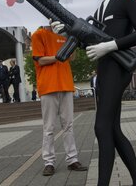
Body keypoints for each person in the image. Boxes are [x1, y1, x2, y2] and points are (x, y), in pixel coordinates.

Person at [83, 0, 136, 185]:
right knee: (113, 130)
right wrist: (66, 29)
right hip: (104, 70)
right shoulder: (100, 7)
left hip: (119, 68)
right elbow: (91, 43)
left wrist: (110, 45)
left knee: (102, 127)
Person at [31, 25, 87, 176]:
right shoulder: (38, 34)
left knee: (68, 125)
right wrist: (57, 57)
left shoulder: (65, 35)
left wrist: (73, 41)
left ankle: (72, 159)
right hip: (48, 86)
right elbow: (40, 60)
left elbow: (72, 57)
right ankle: (49, 162)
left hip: (66, 84)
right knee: (49, 127)